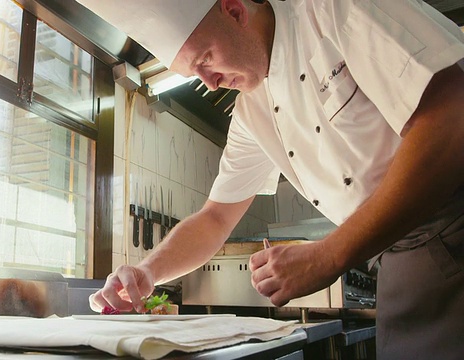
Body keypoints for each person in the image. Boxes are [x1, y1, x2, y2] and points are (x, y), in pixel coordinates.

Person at [77, 0, 464, 358]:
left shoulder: (329, 10)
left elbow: (450, 116)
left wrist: (329, 255)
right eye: (195, 73)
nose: (209, 83)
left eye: (205, 59)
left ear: (233, 10)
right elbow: (215, 218)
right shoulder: (251, 112)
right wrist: (148, 271)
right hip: (396, 257)